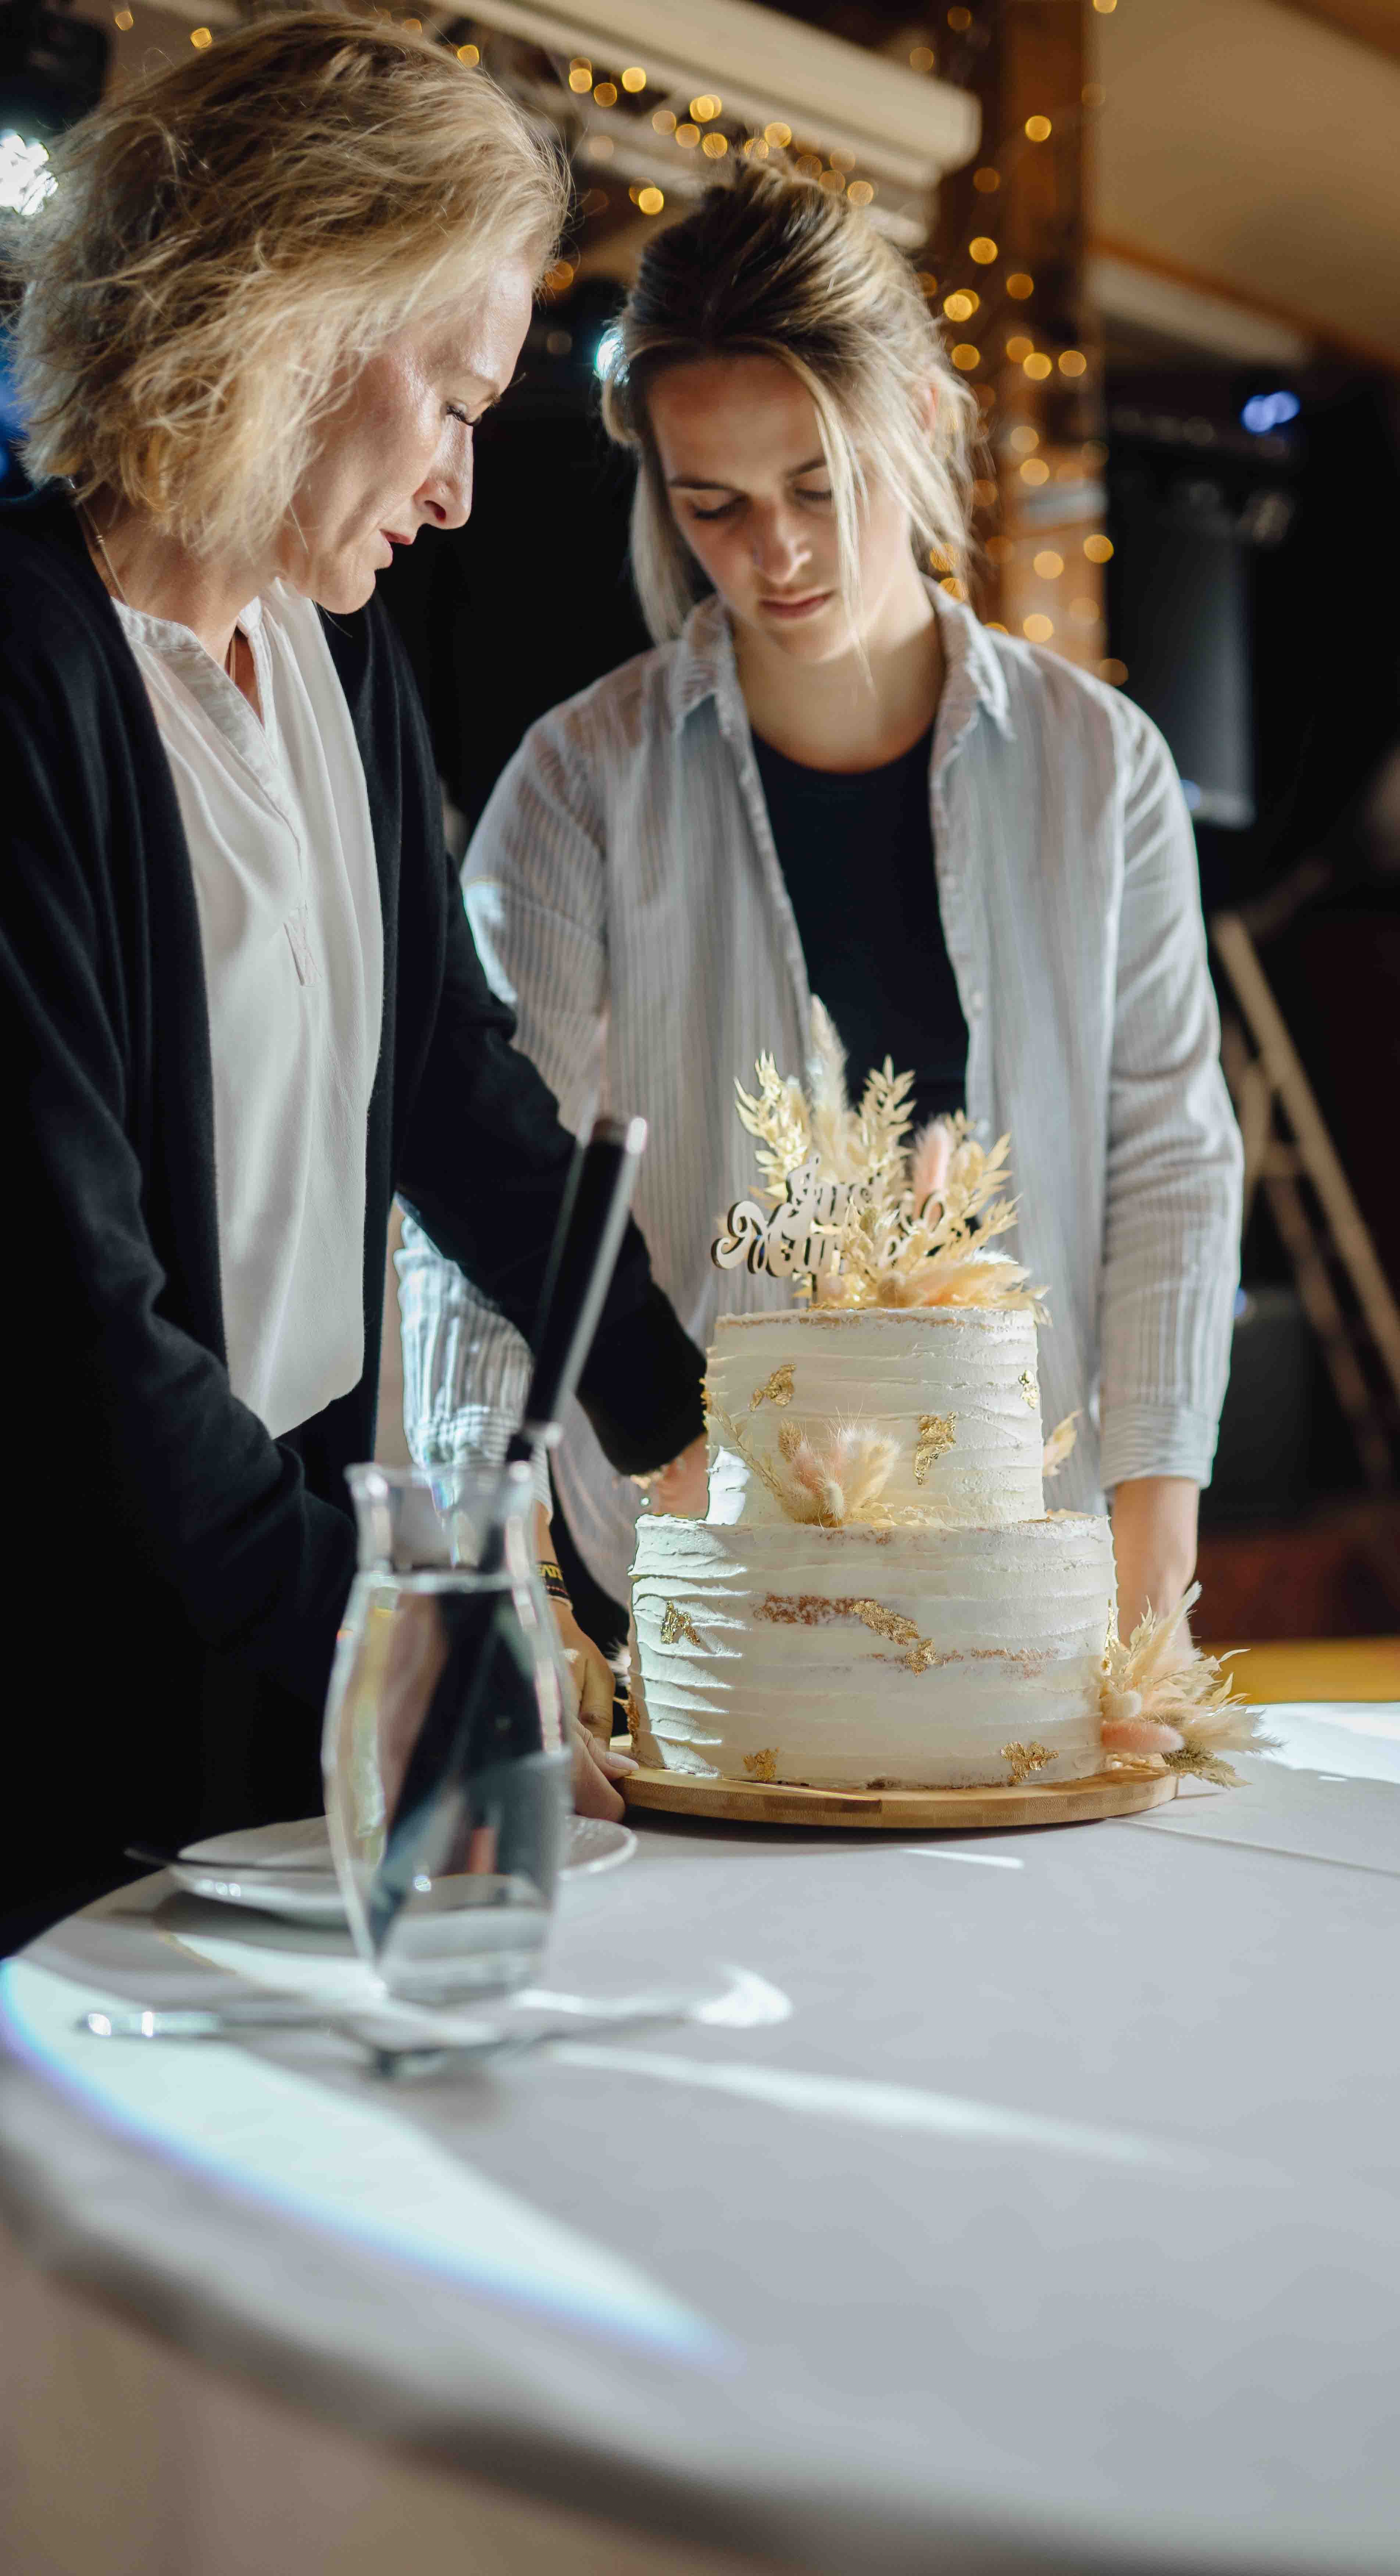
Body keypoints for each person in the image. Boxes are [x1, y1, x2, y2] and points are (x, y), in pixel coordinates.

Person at [0, 14, 705, 1953]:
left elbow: (454, 1096)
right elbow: (76, 1318)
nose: (464, 491)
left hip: (261, 1576)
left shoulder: (338, 654)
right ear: (296, 318)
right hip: (62, 1637)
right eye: (460, 401)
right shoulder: (28, 675)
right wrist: (408, 1628)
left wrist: (680, 1420)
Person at [398, 163, 1242, 1664]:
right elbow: (492, 1189)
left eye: (817, 487)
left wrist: (1154, 1557)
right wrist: (487, 1565)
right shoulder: (579, 786)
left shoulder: (1096, 764)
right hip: (675, 1568)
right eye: (710, 504)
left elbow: (1168, 1156)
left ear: (916, 420)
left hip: (1014, 1556)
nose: (772, 556)